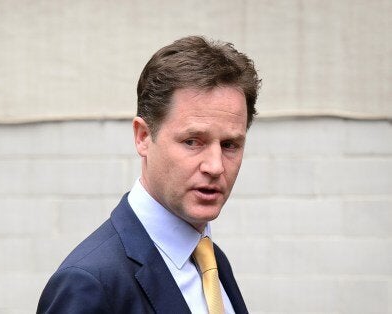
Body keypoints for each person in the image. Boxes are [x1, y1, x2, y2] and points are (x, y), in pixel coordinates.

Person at [37, 36, 261, 314]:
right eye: (192, 141)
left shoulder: (213, 263)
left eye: (230, 145)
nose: (215, 166)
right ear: (143, 137)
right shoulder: (90, 283)